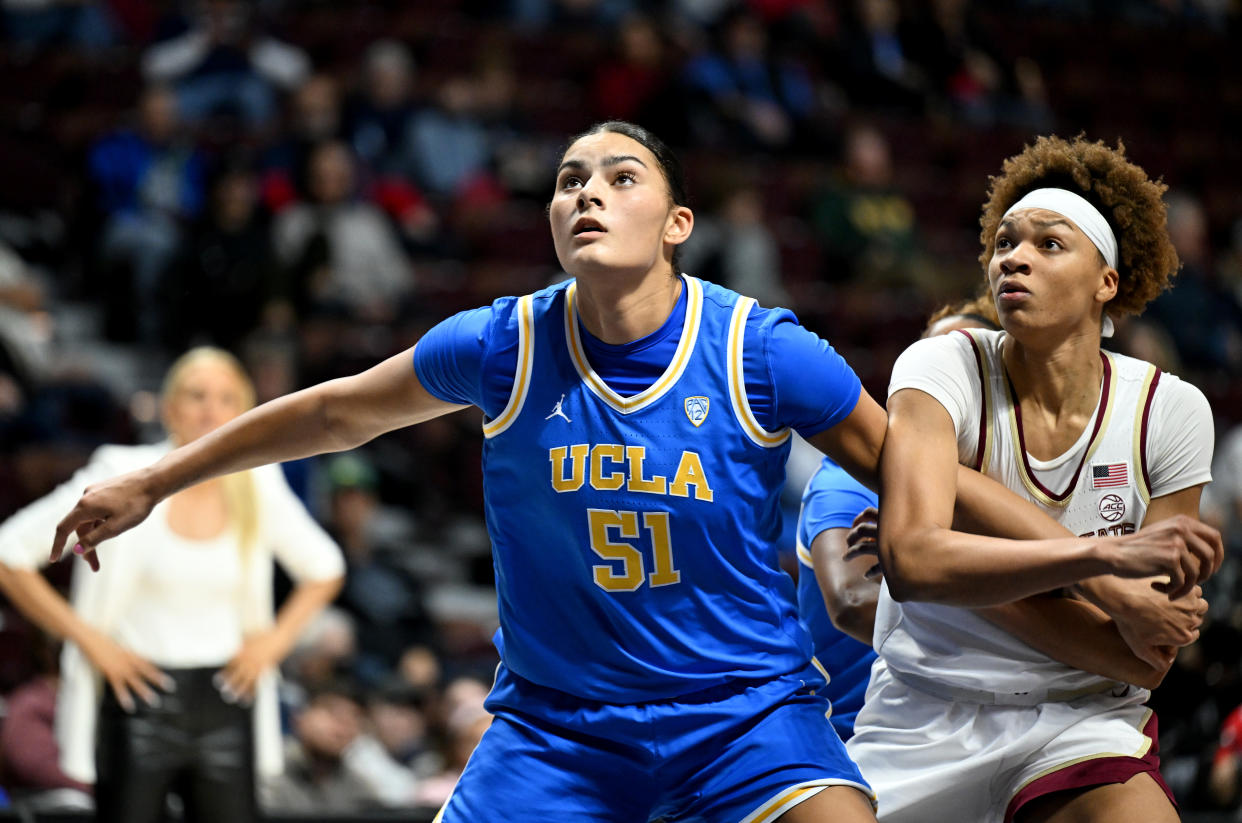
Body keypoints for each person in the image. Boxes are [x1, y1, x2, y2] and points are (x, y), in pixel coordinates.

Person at [48, 123, 1210, 823]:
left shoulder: (761, 349)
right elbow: (338, 410)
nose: (586, 191)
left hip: (746, 718)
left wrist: (1106, 580)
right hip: (557, 729)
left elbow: (932, 473)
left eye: (617, 177)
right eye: (567, 180)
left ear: (677, 222)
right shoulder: (503, 342)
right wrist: (156, 475)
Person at [847, 135, 1223, 823]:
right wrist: (1097, 562)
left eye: (1049, 244)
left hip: (1082, 719)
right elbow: (912, 562)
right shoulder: (941, 367)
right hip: (924, 712)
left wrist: (976, 571)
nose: (1013, 257)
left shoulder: (1170, 410)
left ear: (1106, 281)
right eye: (1005, 243)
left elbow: (1143, 655)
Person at [0, 347, 345, 823]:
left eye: (227, 398)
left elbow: (325, 567)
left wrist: (273, 644)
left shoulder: (256, 480)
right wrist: (91, 644)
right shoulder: (120, 471)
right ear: (168, 408)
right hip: (137, 698)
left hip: (229, 700)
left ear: (244, 413)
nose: (211, 409)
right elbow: (8, 553)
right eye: (196, 394)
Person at [796, 292, 999, 742]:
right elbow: (852, 602)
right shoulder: (857, 474)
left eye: (967, 367)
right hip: (855, 736)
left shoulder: (1012, 483)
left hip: (981, 726)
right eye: (934, 359)